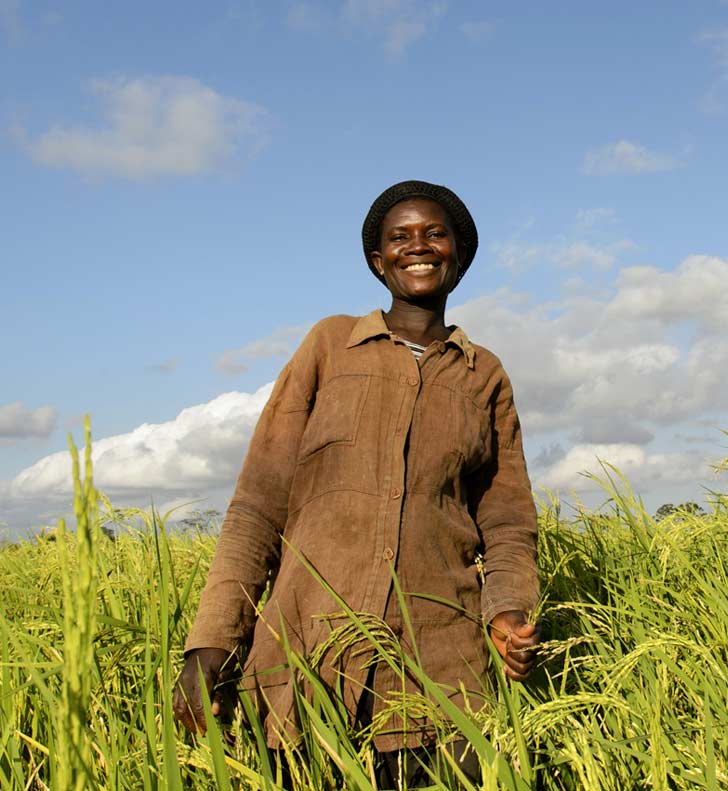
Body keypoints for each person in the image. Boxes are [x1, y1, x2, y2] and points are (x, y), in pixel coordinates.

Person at [172, 180, 540, 787]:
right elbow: (257, 504)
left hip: (440, 680)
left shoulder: (484, 376)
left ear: (458, 254)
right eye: (400, 237)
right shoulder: (328, 347)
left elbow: (507, 520)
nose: (417, 246)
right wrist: (212, 643)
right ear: (379, 260)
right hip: (303, 670)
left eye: (434, 234)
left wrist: (507, 609)